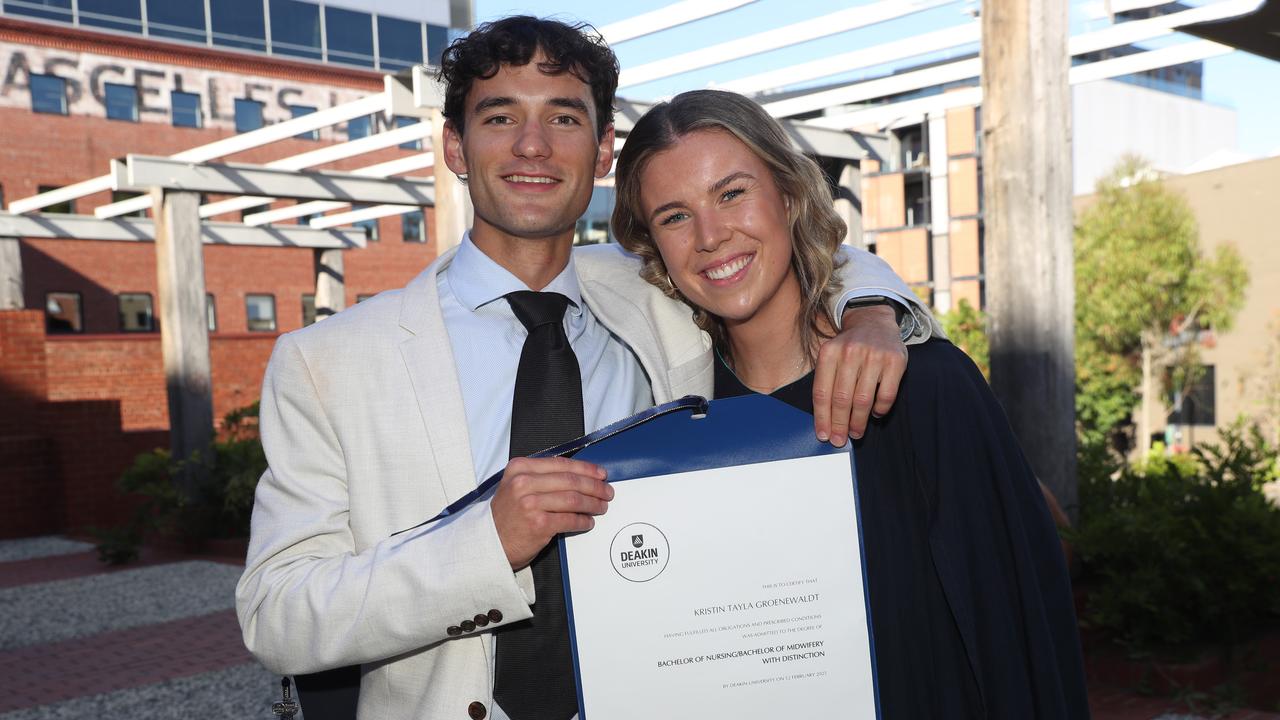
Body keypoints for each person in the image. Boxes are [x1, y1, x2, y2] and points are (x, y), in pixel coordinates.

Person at [235, 17, 940, 720]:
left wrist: (872, 311)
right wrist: (487, 545)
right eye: (500, 116)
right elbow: (276, 616)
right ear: (455, 144)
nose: (532, 145)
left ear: (603, 151)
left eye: (563, 117)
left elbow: (785, 245)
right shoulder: (328, 362)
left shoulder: (658, 293)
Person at [611, 89, 1090, 719]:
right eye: (674, 216)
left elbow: (1020, 634)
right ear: (651, 246)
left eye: (732, 193)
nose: (710, 235)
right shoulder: (668, 427)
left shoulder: (927, 388)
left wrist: (873, 308)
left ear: (788, 195)